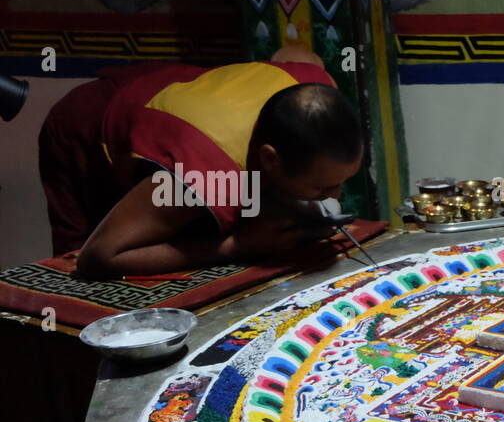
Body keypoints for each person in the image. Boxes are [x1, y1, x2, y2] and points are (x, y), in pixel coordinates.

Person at [38, 46, 365, 278]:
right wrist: (236, 246)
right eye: (322, 187)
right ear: (270, 160)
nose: (334, 198)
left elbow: (296, 54)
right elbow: (99, 257)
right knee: (77, 277)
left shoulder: (313, 91)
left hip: (172, 91)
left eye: (341, 183)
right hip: (90, 129)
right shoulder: (206, 175)